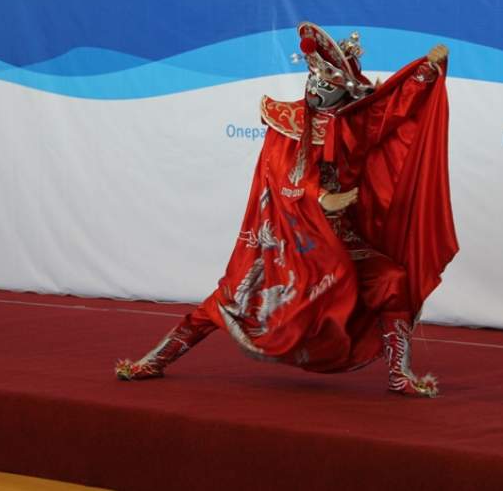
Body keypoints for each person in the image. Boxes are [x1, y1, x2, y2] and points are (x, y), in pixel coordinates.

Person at [116, 22, 458, 397]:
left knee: (392, 280)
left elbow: (393, 108)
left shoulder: (357, 122)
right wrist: (320, 198)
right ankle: (156, 359)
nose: (314, 90)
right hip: (289, 238)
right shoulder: (288, 122)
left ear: (345, 90)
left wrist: (427, 70)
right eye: (312, 80)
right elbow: (280, 174)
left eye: (325, 84)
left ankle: (399, 375)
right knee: (228, 301)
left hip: (340, 242)